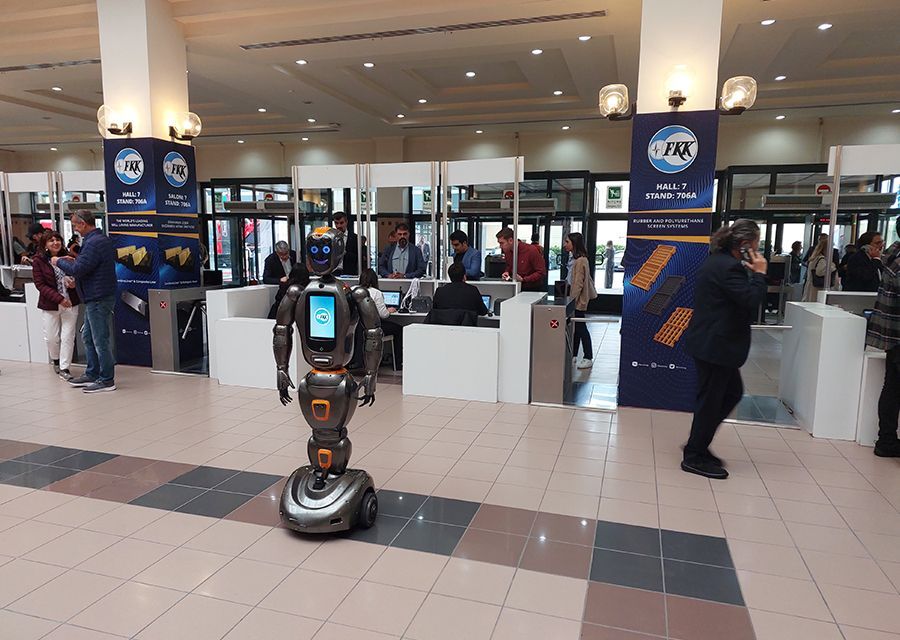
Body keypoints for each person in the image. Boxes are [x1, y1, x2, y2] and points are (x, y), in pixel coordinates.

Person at [681, 219, 768, 479]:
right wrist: (759, 274)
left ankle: (698, 443)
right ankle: (694, 455)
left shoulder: (718, 261)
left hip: (713, 343)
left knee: (730, 394)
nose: (757, 248)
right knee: (712, 401)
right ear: (744, 244)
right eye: (756, 243)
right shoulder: (729, 267)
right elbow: (751, 300)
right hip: (716, 345)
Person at [52, 210, 117, 393]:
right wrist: (73, 260)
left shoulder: (94, 242)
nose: (75, 229)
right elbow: (89, 266)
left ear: (83, 223)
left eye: (75, 225)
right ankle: (92, 373)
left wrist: (58, 261)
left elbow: (79, 269)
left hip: (98, 298)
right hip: (94, 297)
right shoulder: (97, 240)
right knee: (88, 337)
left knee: (99, 340)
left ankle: (107, 380)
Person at [867, 224, 900, 457]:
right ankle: (887, 440)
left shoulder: (892, 255)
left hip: (892, 334)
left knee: (892, 387)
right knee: (892, 388)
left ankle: (886, 439)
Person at [32, 231, 80, 380]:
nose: (55, 243)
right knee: (51, 338)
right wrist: (59, 299)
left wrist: (74, 283)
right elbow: (40, 285)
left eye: (57, 240)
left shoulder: (69, 258)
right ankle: (56, 360)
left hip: (71, 303)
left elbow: (79, 274)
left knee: (68, 336)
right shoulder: (39, 260)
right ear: (45, 244)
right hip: (51, 304)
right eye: (51, 240)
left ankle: (65, 368)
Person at [358, 268, 403, 369]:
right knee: (399, 329)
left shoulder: (354, 290)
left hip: (358, 327)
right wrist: (389, 310)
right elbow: (383, 315)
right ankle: (398, 364)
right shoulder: (376, 293)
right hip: (372, 327)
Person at [565, 233, 598, 369]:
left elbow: (578, 284)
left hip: (578, 300)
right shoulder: (575, 259)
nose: (565, 244)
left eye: (567, 242)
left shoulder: (580, 261)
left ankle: (588, 356)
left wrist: (571, 301)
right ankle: (574, 355)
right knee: (577, 328)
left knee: (581, 328)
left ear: (574, 243)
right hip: (575, 299)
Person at [496, 228, 546, 292]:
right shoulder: (508, 252)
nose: (500, 246)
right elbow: (509, 266)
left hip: (532, 290)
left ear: (510, 240)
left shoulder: (531, 250)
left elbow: (541, 272)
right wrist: (507, 272)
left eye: (502, 243)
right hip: (514, 288)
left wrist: (524, 279)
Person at [802, 234, 836, 302]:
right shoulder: (822, 260)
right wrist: (832, 267)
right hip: (817, 289)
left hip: (811, 287)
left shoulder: (815, 258)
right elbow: (820, 272)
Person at [332, 211, 359, 276]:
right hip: (333, 272)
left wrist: (344, 252)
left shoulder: (355, 238)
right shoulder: (331, 237)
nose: (339, 226)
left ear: (346, 222)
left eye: (341, 223)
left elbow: (358, 257)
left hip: (349, 273)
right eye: (336, 223)